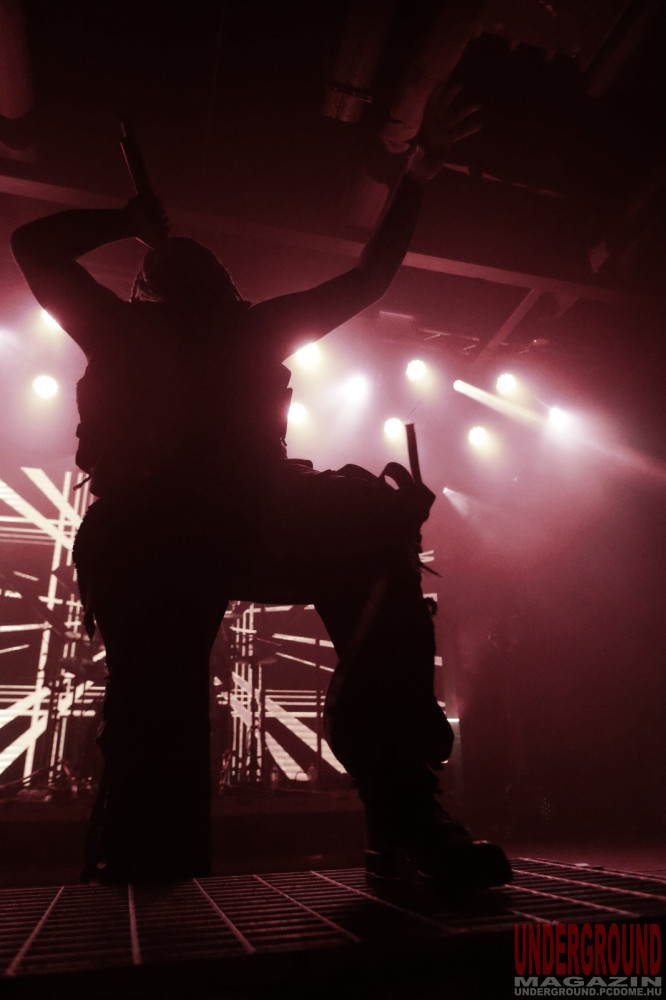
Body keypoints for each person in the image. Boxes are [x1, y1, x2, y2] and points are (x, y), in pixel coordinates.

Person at [11, 87, 511, 888]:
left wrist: (126, 222)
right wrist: (414, 178)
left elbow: (34, 245)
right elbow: (369, 278)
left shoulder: (132, 326)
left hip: (188, 525)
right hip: (184, 524)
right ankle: (379, 821)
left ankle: (398, 814)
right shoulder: (213, 328)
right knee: (168, 700)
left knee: (366, 536)